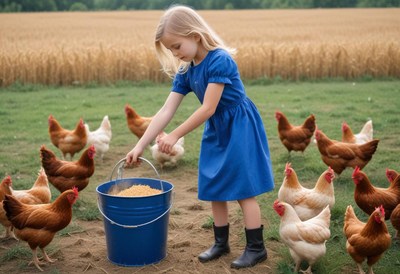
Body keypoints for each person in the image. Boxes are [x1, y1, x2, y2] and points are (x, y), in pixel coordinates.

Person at [125, 5, 275, 269]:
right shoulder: (186, 70)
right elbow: (166, 109)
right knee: (214, 185)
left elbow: (208, 107)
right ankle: (221, 243)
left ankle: (256, 248)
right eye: (170, 50)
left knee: (243, 190)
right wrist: (140, 145)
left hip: (238, 126)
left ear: (194, 35)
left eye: (177, 46)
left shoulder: (220, 60)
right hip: (216, 128)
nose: (175, 54)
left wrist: (173, 136)